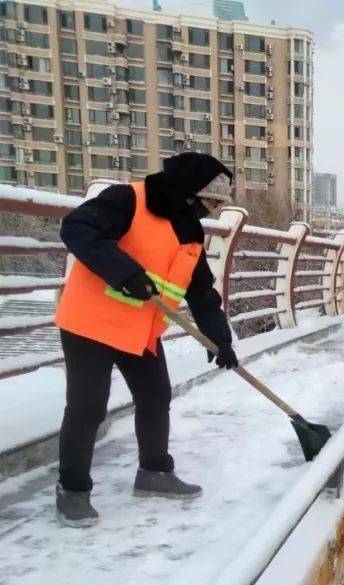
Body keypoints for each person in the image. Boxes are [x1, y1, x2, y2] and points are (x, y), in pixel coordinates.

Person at [53, 153, 239, 527]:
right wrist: (126, 273)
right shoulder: (128, 200)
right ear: (188, 192)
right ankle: (72, 490)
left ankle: (154, 472)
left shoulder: (190, 229)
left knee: (155, 397)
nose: (211, 212)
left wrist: (219, 339)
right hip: (91, 322)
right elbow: (76, 229)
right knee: (88, 406)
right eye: (209, 202)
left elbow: (200, 290)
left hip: (141, 328)